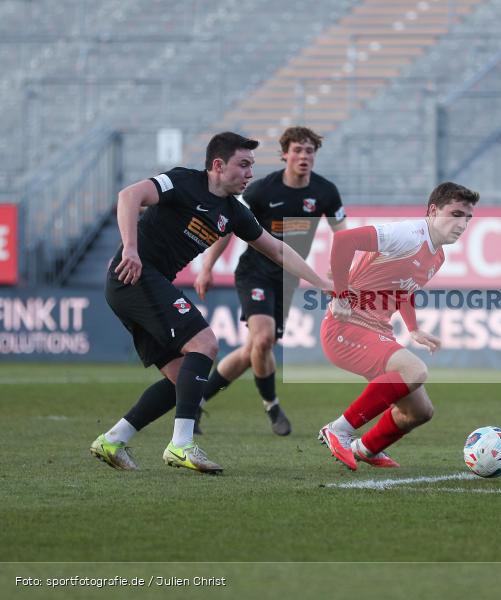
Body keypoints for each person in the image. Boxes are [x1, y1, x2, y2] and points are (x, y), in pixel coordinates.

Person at [89, 132, 332, 474]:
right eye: (243, 165)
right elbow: (129, 195)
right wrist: (130, 248)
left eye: (252, 166)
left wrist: (321, 282)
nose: (250, 173)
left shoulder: (234, 212)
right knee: (205, 343)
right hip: (135, 276)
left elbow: (276, 249)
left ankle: (113, 439)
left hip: (140, 284)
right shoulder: (183, 181)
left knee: (182, 382)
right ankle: (181, 445)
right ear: (218, 165)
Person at [193, 126, 346, 436]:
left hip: (287, 279)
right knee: (262, 341)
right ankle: (272, 406)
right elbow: (228, 228)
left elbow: (342, 233)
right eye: (298, 150)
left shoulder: (326, 192)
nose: (304, 156)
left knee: (254, 349)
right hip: (255, 272)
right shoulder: (262, 191)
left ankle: (195, 400)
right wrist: (207, 266)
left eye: (309, 151)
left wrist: (338, 266)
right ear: (285, 154)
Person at [317, 182, 479, 470]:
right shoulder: (407, 234)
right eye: (455, 214)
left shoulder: (438, 254)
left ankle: (366, 448)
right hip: (346, 327)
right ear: (433, 210)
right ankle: (339, 430)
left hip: (376, 330)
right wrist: (341, 295)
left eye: (467, 218)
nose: (462, 224)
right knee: (414, 370)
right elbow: (344, 241)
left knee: (419, 411)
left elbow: (402, 289)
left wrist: (414, 328)